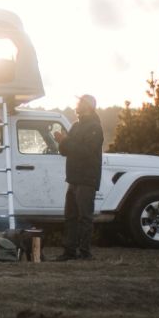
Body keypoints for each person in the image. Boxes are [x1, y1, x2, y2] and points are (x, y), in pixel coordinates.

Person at [53, 93, 104, 261]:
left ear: (88, 106)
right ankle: (69, 252)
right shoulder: (75, 126)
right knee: (71, 217)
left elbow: (86, 152)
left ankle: (85, 253)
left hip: (87, 179)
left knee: (85, 217)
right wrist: (61, 141)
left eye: (80, 101)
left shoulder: (95, 127)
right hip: (73, 179)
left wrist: (66, 141)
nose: (77, 104)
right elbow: (65, 151)